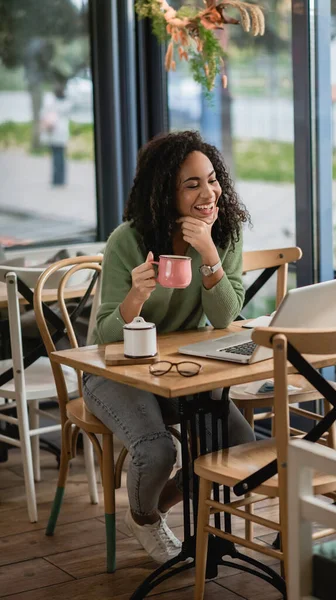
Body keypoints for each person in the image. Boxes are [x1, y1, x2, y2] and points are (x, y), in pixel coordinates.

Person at [82, 130, 255, 563]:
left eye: (212, 180)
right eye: (192, 184)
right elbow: (104, 335)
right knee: (158, 449)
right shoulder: (129, 240)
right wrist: (135, 297)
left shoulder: (223, 235)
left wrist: (209, 254)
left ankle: (153, 507)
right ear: (164, 191)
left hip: (178, 369)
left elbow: (224, 317)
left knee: (236, 442)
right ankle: (144, 520)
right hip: (114, 371)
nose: (208, 193)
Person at [40, 82, 71, 186]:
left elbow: (44, 113)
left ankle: (56, 179)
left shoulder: (50, 100)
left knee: (56, 156)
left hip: (54, 132)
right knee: (61, 156)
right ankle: (61, 179)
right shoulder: (67, 102)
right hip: (62, 133)